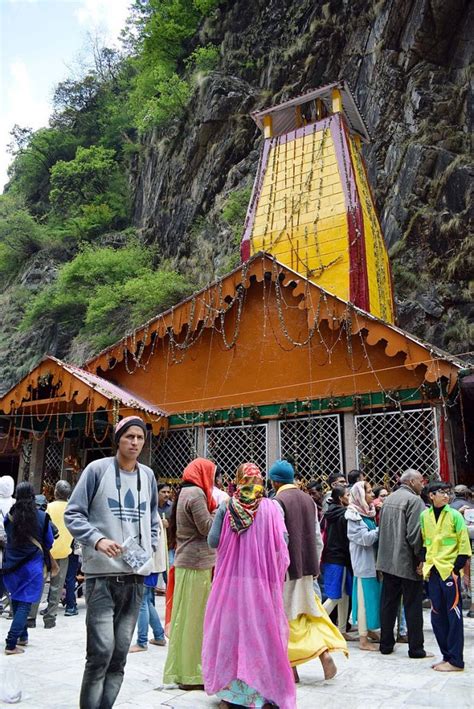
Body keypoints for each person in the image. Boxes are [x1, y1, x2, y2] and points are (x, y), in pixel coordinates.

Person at [65, 416, 159, 709]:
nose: (134, 442)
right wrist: (97, 539)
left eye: (139, 438)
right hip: (101, 577)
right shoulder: (97, 470)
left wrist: (150, 545)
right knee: (100, 653)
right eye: (129, 436)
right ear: (118, 439)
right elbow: (73, 514)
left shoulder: (148, 476)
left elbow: (153, 518)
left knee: (119, 656)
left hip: (134, 578)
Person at [202, 462, 295, 709]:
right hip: (261, 585)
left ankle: (234, 697)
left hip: (231, 584)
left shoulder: (227, 506)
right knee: (261, 636)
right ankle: (262, 693)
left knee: (232, 636)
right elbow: (282, 543)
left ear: (238, 479)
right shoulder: (272, 508)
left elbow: (212, 542)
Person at [270, 460, 347, 682]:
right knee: (307, 614)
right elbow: (316, 536)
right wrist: (315, 564)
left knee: (286, 617)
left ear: (274, 481)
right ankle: (323, 655)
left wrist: (276, 567)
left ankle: (292, 669)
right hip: (308, 568)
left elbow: (280, 539)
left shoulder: (277, 502)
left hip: (287, 570)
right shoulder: (309, 501)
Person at [163, 457, 217, 690]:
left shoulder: (185, 492)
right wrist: (222, 512)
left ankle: (183, 670)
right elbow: (206, 528)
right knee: (196, 621)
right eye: (212, 474)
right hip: (196, 564)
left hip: (188, 562)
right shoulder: (196, 494)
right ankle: (192, 674)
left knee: (185, 620)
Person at [377, 469, 434, 659]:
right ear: (410, 482)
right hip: (406, 562)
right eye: (420, 481)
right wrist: (421, 558)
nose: (422, 485)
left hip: (387, 561)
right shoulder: (414, 501)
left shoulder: (390, 498)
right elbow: (414, 534)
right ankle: (416, 649)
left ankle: (385, 645)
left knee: (388, 603)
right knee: (412, 605)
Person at [421, 482, 471, 672]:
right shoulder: (424, 516)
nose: (446, 496)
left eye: (447, 492)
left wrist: (455, 569)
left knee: (453, 615)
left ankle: (456, 660)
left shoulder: (455, 515)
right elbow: (426, 542)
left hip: (449, 571)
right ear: (431, 496)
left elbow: (464, 546)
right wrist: (424, 563)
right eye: (441, 492)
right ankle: (446, 656)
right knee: (437, 615)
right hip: (433, 571)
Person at [2, 482, 54, 654]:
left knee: (17, 599)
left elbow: (7, 536)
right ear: (33, 496)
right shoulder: (42, 517)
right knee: (24, 604)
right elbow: (49, 542)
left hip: (10, 565)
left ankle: (23, 636)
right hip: (32, 566)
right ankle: (11, 642)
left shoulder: (10, 516)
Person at [345, 481, 381, 651]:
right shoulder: (353, 515)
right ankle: (363, 639)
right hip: (363, 565)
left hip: (372, 564)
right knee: (364, 601)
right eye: (368, 492)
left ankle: (370, 630)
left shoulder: (368, 513)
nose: (372, 494)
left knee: (372, 600)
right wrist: (382, 530)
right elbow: (363, 539)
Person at [129, 515, 167, 652]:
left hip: (147, 564)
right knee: (146, 601)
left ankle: (142, 641)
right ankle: (159, 636)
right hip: (152, 564)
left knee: (141, 602)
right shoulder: (153, 513)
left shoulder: (147, 513)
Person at [321, 486, 354, 639]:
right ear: (341, 498)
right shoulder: (344, 515)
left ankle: (342, 630)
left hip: (331, 556)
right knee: (335, 596)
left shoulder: (329, 513)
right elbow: (346, 540)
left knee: (344, 594)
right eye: (348, 495)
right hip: (339, 558)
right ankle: (317, 626)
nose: (350, 497)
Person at [40, 480, 73, 629]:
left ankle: (30, 616)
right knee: (57, 586)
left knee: (39, 583)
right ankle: (50, 618)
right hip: (64, 552)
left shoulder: (48, 507)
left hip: (46, 551)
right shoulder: (73, 509)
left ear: (55, 493)